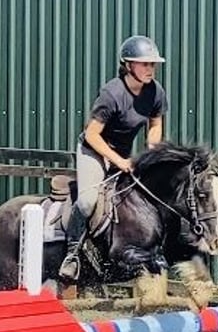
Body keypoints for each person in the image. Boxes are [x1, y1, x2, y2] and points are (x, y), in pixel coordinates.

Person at [59, 35, 168, 281]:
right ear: (129, 65)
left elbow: (155, 123)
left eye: (153, 64)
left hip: (123, 153)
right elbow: (92, 134)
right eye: (145, 64)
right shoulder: (111, 93)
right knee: (87, 201)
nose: (151, 69)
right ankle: (72, 254)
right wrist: (117, 161)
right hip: (94, 150)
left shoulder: (156, 91)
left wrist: (152, 148)